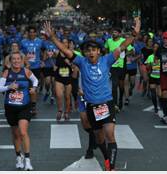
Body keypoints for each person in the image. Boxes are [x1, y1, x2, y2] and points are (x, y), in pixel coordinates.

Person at [42, 17, 140, 171]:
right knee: (99, 138)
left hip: (106, 104)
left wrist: (134, 35)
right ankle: (107, 159)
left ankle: (111, 168)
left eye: (94, 50)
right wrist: (53, 37)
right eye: (88, 50)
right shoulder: (81, 62)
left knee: (110, 136)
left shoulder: (107, 60)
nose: (91, 52)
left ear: (99, 52)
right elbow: (65, 51)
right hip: (91, 107)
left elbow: (122, 47)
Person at [0, 51, 38, 171]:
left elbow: (35, 81)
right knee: (15, 134)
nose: (16, 61)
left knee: (23, 132)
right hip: (10, 108)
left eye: (18, 59)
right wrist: (8, 87)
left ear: (22, 60)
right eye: (13, 59)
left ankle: (28, 160)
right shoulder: (6, 73)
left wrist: (34, 88)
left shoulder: (26, 71)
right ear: (10, 61)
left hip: (24, 106)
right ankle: (18, 156)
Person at [21, 26, 45, 116]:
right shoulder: (23, 42)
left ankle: (33, 107)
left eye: (33, 32)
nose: (31, 34)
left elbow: (44, 51)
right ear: (28, 33)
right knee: (26, 86)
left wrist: (43, 60)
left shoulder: (40, 42)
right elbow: (20, 53)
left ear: (36, 33)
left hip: (36, 67)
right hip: (26, 67)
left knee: (34, 87)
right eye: (30, 32)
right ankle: (26, 104)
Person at [104, 27, 126, 112]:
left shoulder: (123, 41)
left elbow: (132, 50)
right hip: (112, 66)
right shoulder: (109, 41)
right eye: (113, 32)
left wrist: (123, 54)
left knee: (121, 86)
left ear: (119, 34)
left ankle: (120, 99)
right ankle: (115, 104)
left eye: (115, 32)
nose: (113, 33)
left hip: (121, 66)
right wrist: (107, 56)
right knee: (114, 85)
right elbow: (105, 49)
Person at [54, 37, 73, 121]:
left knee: (67, 97)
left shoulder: (71, 53)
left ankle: (66, 112)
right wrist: (54, 67)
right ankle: (60, 110)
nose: (65, 44)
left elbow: (73, 66)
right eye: (63, 42)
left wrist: (68, 61)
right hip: (59, 77)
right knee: (59, 96)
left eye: (66, 42)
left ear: (68, 44)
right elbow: (53, 60)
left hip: (68, 78)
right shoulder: (57, 52)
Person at [145, 42, 161, 115]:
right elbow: (147, 67)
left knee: (159, 94)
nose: (156, 48)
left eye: (157, 47)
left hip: (160, 77)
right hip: (152, 76)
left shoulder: (161, 57)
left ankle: (161, 106)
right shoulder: (150, 57)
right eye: (154, 47)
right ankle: (155, 108)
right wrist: (150, 65)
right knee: (153, 94)